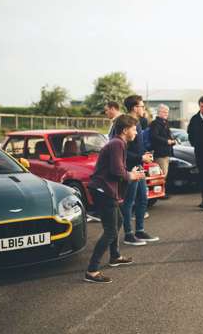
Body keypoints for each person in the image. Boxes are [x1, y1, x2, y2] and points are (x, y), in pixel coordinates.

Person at [84, 114, 145, 284]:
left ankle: (115, 256)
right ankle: (92, 270)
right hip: (102, 190)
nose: (136, 132)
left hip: (104, 189)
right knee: (110, 230)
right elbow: (117, 171)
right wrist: (131, 175)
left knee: (118, 220)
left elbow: (117, 170)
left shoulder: (119, 143)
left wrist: (129, 173)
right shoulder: (117, 143)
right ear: (125, 130)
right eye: (134, 129)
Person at [120, 95, 159, 245]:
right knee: (129, 201)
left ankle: (140, 231)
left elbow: (138, 146)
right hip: (131, 168)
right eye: (142, 106)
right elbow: (123, 150)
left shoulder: (139, 123)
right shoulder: (124, 123)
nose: (144, 109)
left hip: (139, 165)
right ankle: (128, 235)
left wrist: (145, 154)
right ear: (135, 108)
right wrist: (140, 158)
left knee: (143, 199)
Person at [150, 104, 177, 176]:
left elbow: (168, 135)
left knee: (164, 176)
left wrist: (173, 140)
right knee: (161, 177)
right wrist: (167, 141)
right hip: (160, 155)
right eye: (164, 112)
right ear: (159, 112)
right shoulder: (155, 123)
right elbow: (154, 136)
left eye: (167, 112)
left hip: (167, 154)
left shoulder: (165, 123)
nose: (166, 114)